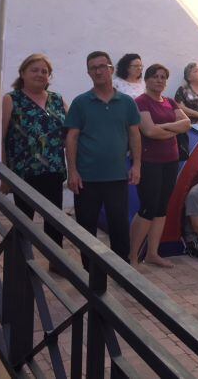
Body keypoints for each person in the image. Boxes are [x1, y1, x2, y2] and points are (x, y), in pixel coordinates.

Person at [65, 51, 141, 266]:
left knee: (119, 226)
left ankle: (122, 270)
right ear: (88, 73)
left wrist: (136, 165)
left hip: (117, 177)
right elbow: (71, 138)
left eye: (102, 66)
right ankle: (90, 272)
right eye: (93, 68)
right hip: (86, 178)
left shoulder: (126, 102)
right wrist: (72, 171)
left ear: (111, 69)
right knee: (86, 228)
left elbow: (134, 134)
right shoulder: (81, 102)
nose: (98, 71)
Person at [1, 53, 68, 251]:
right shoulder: (11, 99)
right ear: (22, 73)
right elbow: (1, 136)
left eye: (44, 71)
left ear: (49, 77)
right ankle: (21, 260)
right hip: (23, 172)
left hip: (53, 170)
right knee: (23, 221)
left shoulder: (57, 100)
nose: (40, 74)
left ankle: (56, 261)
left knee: (55, 220)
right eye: (34, 70)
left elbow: (72, 132)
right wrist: (3, 174)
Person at [130, 64, 190, 268]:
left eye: (163, 77)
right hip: (150, 162)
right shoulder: (140, 102)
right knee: (148, 207)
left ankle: (152, 253)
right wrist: (172, 129)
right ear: (146, 80)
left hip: (170, 161)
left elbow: (187, 124)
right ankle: (132, 256)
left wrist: (163, 128)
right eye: (155, 76)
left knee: (161, 208)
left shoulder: (170, 101)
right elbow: (148, 131)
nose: (159, 80)